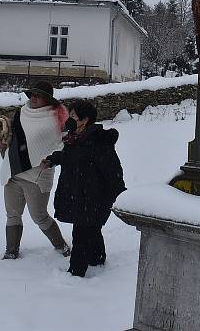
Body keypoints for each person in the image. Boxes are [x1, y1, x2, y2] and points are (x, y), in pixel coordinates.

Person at [41, 100, 126, 277]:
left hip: (94, 195)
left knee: (81, 232)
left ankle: (76, 272)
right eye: (69, 115)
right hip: (79, 192)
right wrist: (52, 160)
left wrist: (120, 192)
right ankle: (97, 258)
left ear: (85, 119)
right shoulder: (74, 137)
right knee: (91, 228)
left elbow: (112, 168)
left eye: (73, 116)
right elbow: (70, 156)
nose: (69, 119)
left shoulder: (97, 140)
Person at [0, 80, 70, 260]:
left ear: (48, 99)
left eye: (39, 95)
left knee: (40, 217)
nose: (34, 98)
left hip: (37, 175)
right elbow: (14, 144)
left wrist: (53, 160)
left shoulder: (56, 120)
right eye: (33, 95)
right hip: (13, 173)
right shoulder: (21, 113)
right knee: (12, 214)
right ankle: (11, 251)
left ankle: (61, 247)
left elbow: (64, 147)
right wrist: (2, 144)